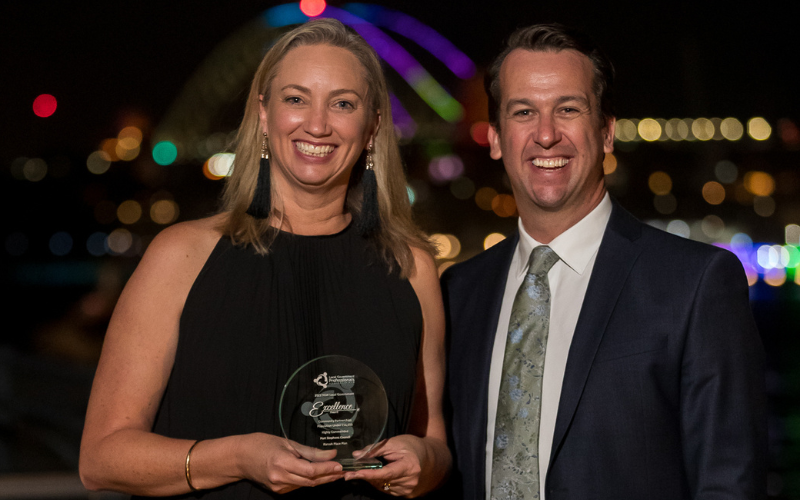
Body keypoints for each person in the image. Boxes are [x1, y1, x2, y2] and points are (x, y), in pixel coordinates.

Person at [79, 18, 450, 499]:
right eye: (296, 99)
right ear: (263, 111)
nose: (317, 124)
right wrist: (235, 458)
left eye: (343, 103)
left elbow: (434, 439)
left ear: (374, 123)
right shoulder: (183, 256)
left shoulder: (412, 267)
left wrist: (426, 462)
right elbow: (101, 460)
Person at [440, 23, 767, 500]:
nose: (546, 134)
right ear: (495, 138)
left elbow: (729, 482)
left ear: (607, 132)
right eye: (524, 112)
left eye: (568, 109)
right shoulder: (459, 291)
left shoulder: (694, 284)